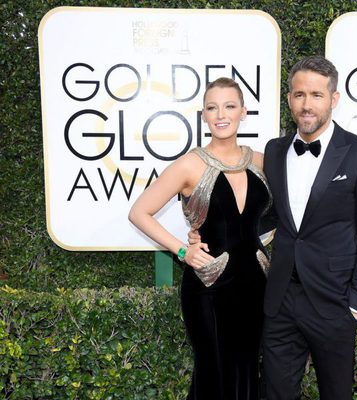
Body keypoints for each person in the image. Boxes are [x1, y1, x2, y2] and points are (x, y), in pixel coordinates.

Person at [129, 77, 272, 400]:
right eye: (212, 107)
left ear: (243, 112)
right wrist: (183, 250)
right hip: (208, 286)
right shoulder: (189, 165)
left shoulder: (262, 162)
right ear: (204, 115)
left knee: (248, 368)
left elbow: (280, 213)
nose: (221, 114)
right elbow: (139, 212)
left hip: (256, 284)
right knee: (213, 370)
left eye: (229, 106)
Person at [261, 55, 357, 399]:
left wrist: (355, 303)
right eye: (299, 94)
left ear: (333, 99)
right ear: (288, 98)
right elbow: (269, 217)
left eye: (316, 95)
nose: (306, 104)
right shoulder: (274, 151)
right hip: (281, 300)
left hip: (335, 301)